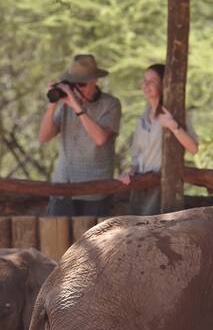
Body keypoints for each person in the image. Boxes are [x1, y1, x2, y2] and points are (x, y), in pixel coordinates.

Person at [39, 53, 122, 217]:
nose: (76, 89)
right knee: (58, 240)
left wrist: (77, 107)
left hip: (95, 190)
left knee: (92, 241)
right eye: (72, 84)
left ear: (94, 82)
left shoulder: (110, 104)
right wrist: (52, 106)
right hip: (63, 188)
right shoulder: (65, 105)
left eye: (81, 84)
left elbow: (100, 139)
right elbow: (43, 137)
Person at [119, 63, 199, 215]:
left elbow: (193, 148)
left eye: (152, 81)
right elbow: (137, 155)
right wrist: (130, 173)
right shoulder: (143, 116)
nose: (146, 85)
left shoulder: (175, 111)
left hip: (162, 187)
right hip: (140, 187)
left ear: (163, 84)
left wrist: (173, 126)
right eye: (144, 80)